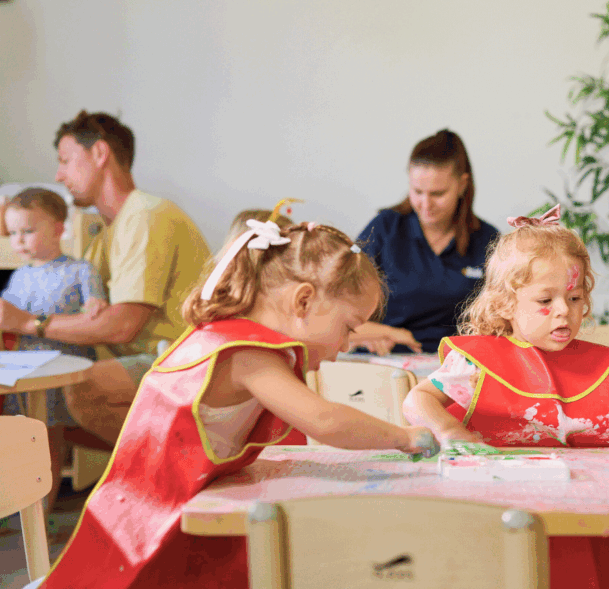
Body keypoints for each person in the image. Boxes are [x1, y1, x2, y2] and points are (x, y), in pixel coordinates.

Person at [38, 215, 440, 589]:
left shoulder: (230, 336)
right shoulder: (246, 354)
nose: (344, 346)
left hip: (154, 507)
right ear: (302, 301)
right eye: (347, 328)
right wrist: (403, 436)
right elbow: (324, 420)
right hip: (149, 525)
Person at [403, 205, 609, 589]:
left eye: (575, 298)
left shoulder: (603, 365)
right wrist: (450, 431)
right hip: (510, 515)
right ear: (504, 305)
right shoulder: (476, 364)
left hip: (602, 519)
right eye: (545, 301)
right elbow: (417, 401)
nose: (563, 312)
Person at [0, 111, 211, 446]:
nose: (58, 175)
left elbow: (121, 325)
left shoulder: (144, 215)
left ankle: (173, 467)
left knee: (82, 387)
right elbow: (73, 311)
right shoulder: (104, 236)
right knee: (46, 409)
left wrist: (28, 323)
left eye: (66, 161)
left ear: (99, 154)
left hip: (183, 359)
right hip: (151, 359)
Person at [0, 187, 107, 510]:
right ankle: (16, 500)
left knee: (49, 435)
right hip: (24, 369)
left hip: (62, 366)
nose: (19, 240)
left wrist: (95, 302)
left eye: (29, 231)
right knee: (22, 433)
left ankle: (43, 506)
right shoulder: (19, 276)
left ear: (59, 228)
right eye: (14, 232)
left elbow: (95, 309)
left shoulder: (80, 270)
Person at [354, 129, 499, 355]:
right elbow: (335, 304)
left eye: (437, 193)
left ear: (462, 185)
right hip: (383, 359)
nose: (425, 204)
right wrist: (375, 334)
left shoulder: (488, 241)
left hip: (456, 365)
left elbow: (501, 320)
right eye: (417, 191)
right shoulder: (385, 228)